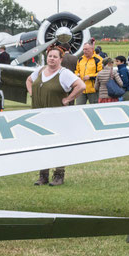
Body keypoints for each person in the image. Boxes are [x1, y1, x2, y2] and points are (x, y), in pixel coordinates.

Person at [26, 46, 85, 186]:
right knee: (42, 145)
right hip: (39, 115)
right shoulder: (40, 70)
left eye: (55, 57)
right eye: (50, 56)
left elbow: (81, 86)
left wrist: (68, 99)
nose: (52, 59)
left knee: (58, 145)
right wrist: (32, 93)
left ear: (61, 59)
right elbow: (28, 80)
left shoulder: (64, 73)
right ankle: (43, 176)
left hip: (57, 117)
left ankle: (59, 175)